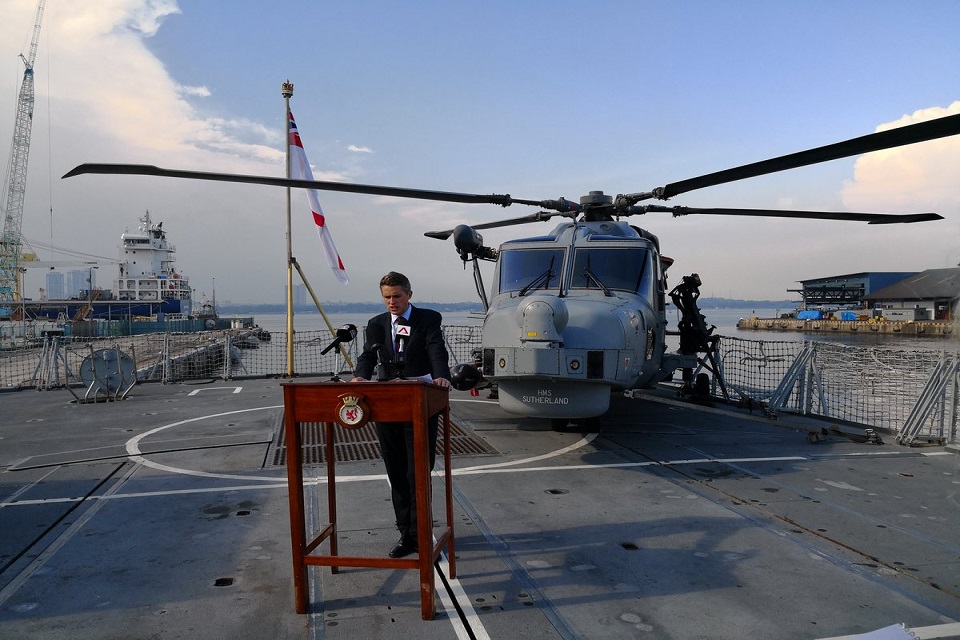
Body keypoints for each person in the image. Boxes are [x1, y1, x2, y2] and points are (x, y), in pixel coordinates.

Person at [351, 271, 451, 558]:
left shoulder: (428, 319)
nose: (391, 302)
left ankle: (421, 533)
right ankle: (406, 535)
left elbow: (436, 350)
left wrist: (442, 377)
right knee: (396, 472)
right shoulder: (376, 324)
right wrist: (360, 376)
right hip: (387, 405)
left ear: (409, 294)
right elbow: (369, 355)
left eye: (396, 296)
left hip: (419, 402)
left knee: (417, 471)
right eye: (387, 297)